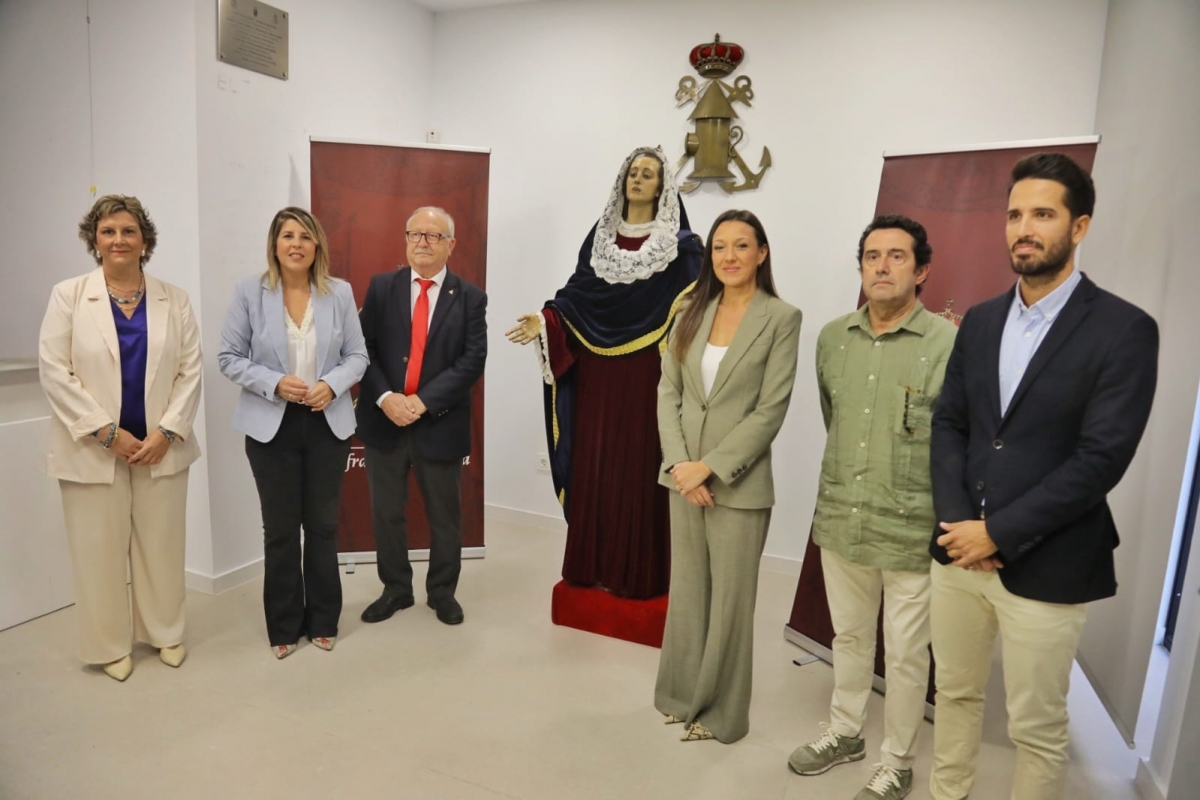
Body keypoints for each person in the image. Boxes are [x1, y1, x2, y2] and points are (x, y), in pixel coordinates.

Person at [927, 153, 1159, 800]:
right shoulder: (979, 320)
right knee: (955, 694)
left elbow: (1101, 458)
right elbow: (950, 425)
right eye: (1014, 215)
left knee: (1035, 725)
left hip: (1048, 559)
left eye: (1043, 214)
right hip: (955, 552)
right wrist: (958, 524)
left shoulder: (1125, 330)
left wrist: (996, 533)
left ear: (1079, 226)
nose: (1023, 228)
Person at [787, 215, 956, 800]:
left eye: (897, 257)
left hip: (912, 525)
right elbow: (836, 418)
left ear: (922, 269)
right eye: (871, 256)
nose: (882, 267)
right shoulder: (834, 338)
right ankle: (845, 732)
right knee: (850, 638)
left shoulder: (947, 344)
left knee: (908, 653)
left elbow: (957, 438)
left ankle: (898, 760)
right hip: (843, 515)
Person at [506, 145, 702, 599]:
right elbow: (576, 297)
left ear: (662, 187)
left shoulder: (681, 247)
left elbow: (694, 307)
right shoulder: (600, 238)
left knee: (636, 469)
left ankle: (637, 574)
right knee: (594, 465)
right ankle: (588, 564)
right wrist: (546, 320)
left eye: (649, 174)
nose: (638, 179)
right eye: (633, 172)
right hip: (596, 374)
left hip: (646, 377)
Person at [38, 194, 202, 681]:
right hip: (91, 449)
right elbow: (54, 371)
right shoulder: (68, 295)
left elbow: (190, 372)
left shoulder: (175, 299)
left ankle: (165, 632)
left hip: (160, 447)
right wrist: (107, 432)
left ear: (144, 240)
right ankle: (110, 645)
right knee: (97, 551)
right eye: (108, 231)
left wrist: (168, 431)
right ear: (94, 240)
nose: (118, 240)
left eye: (128, 231)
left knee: (162, 546)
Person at [654, 209, 802, 743]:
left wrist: (709, 467)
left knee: (731, 605)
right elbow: (668, 392)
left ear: (761, 253)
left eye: (742, 246)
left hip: (737, 485)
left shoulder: (782, 318)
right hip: (682, 479)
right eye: (720, 247)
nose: (730, 257)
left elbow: (771, 409)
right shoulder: (690, 311)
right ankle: (678, 696)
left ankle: (719, 715)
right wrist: (680, 467)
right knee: (689, 593)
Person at [218, 207, 367, 659]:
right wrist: (274, 382)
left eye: (305, 235)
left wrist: (332, 385)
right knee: (280, 531)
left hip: (327, 424)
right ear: (275, 244)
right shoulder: (250, 292)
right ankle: (283, 626)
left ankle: (323, 620)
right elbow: (228, 356)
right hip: (271, 427)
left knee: (322, 527)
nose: (296, 244)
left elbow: (357, 356)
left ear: (316, 244)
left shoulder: (338, 293)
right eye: (287, 236)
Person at [356, 206, 487, 626]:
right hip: (385, 422)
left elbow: (471, 361)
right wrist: (386, 398)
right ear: (405, 240)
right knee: (386, 514)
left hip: (439, 423)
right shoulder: (381, 288)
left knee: (445, 517)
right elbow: (364, 350)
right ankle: (395, 589)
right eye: (416, 234)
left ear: (451, 245)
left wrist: (422, 402)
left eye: (434, 236)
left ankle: (442, 592)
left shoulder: (470, 298)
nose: (423, 242)